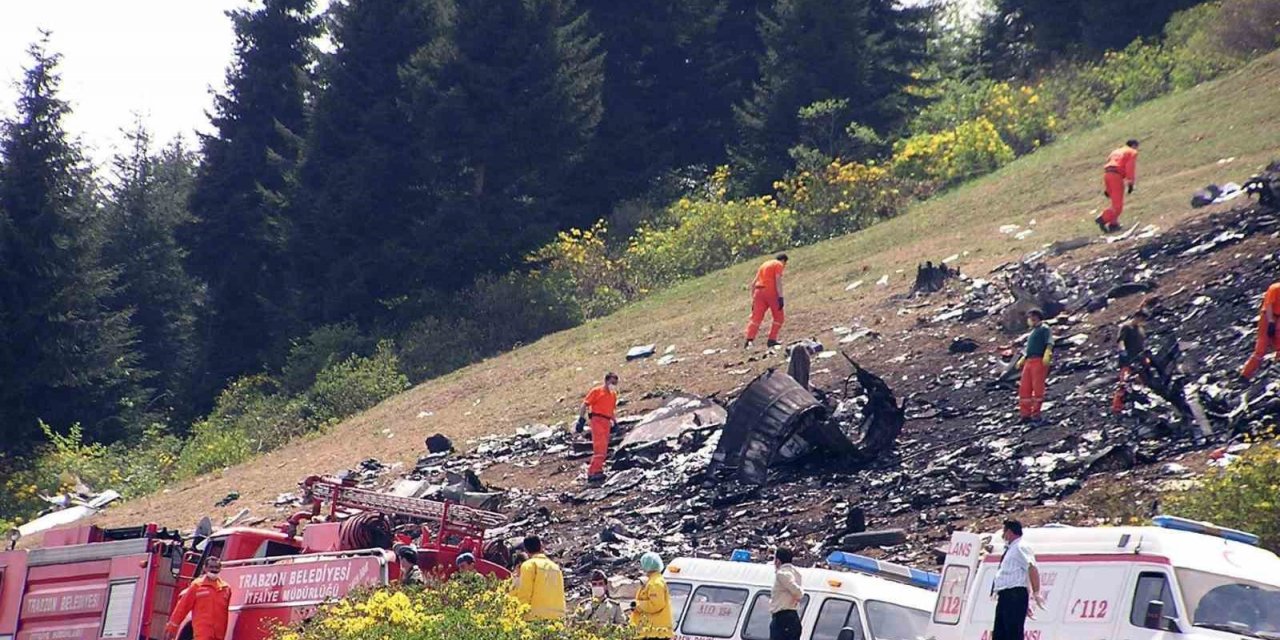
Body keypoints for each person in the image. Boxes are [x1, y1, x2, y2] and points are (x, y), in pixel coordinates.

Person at [992, 520, 1045, 640]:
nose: (1003, 536)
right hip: (1005, 596)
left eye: (1004, 532)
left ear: (1009, 532)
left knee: (1013, 633)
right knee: (1000, 634)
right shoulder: (1011, 549)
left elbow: (1031, 567)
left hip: (1014, 595)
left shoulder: (1021, 547)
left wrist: (1036, 592)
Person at [165, 556, 231, 640]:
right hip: (202, 634)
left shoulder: (226, 588)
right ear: (205, 568)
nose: (214, 569)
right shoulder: (197, 586)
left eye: (217, 567)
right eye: (211, 567)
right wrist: (172, 628)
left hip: (219, 635)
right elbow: (183, 607)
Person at [576, 372, 619, 484]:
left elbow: (611, 410)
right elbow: (585, 404)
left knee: (604, 448)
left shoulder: (613, 395)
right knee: (599, 447)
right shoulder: (597, 391)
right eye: (612, 382)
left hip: (606, 421)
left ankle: (598, 469)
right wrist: (581, 419)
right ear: (606, 381)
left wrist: (615, 423)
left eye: (615, 383)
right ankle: (593, 472)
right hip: (597, 420)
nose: (613, 385)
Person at [513, 535, 566, 620]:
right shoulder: (555, 567)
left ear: (526, 550)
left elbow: (525, 593)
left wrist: (518, 614)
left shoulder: (529, 565)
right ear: (541, 546)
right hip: (557, 617)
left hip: (535, 617)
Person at [1112, 310, 1152, 413]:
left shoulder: (1140, 329)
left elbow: (1143, 342)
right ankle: (1117, 407)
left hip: (1139, 359)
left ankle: (1140, 403)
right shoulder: (1126, 327)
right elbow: (1121, 341)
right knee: (1125, 383)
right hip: (1128, 360)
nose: (1142, 321)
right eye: (1141, 319)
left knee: (1141, 381)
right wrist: (1123, 351)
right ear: (1137, 317)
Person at [1017, 309, 1053, 425]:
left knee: (1037, 387)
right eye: (1030, 317)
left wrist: (1047, 352)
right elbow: (1029, 348)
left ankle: (1036, 414)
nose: (1031, 319)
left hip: (1038, 360)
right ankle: (1025, 414)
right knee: (1024, 387)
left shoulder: (1044, 328)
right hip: (1029, 361)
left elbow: (1049, 342)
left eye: (1033, 317)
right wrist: (1023, 358)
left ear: (1038, 317)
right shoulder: (1032, 332)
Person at [745, 253, 788, 349]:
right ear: (784, 261)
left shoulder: (764, 265)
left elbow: (753, 283)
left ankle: (749, 340)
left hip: (758, 292)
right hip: (771, 293)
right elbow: (778, 280)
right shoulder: (778, 265)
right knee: (779, 317)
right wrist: (780, 297)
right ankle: (772, 339)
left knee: (756, 318)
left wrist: (754, 299)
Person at [1096, 139, 1140, 233]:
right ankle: (1103, 218)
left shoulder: (1115, 151)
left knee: (1114, 202)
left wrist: (1107, 189)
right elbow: (1130, 167)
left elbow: (1110, 163)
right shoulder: (1132, 152)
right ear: (1134, 145)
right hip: (1116, 176)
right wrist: (1130, 182)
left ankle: (1113, 224)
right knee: (1118, 206)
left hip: (1107, 174)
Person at [1241, 281, 1280, 380]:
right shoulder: (1275, 288)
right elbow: (1269, 305)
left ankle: (1276, 372)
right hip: (1268, 316)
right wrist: (1271, 322)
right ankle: (1245, 375)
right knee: (1261, 348)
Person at [632, 552, 674, 640]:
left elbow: (656, 604)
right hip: (651, 631)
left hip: (655, 632)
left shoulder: (655, 583)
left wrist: (638, 605)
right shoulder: (652, 581)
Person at [769, 548, 803, 640]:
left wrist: (799, 595)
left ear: (778, 561)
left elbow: (798, 592)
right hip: (792, 618)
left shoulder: (782, 574)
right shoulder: (796, 573)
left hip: (783, 619)